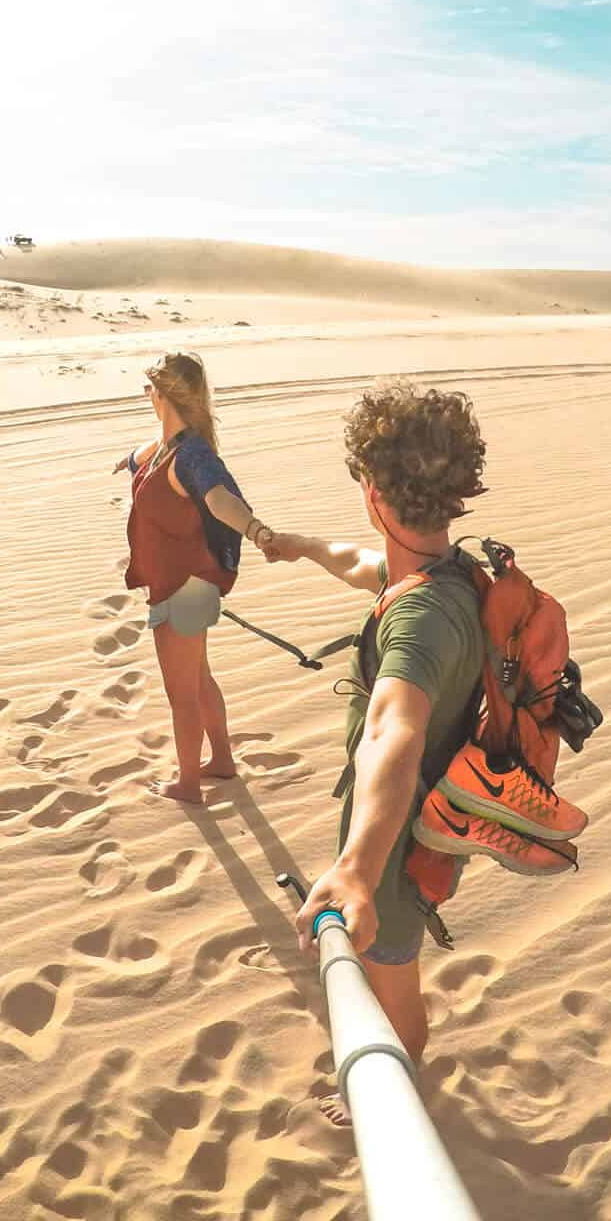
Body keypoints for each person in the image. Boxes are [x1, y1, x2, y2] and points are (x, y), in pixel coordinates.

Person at [262, 380, 493, 1072]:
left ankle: (406, 1075)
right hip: (405, 817)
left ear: (372, 492)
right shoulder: (446, 572)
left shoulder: (419, 622)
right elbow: (364, 565)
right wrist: (302, 546)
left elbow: (395, 728)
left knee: (390, 974)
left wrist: (358, 871)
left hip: (395, 843)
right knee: (381, 959)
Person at [115, 353, 275, 804]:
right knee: (199, 678)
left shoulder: (192, 456)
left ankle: (188, 784)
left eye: (149, 390)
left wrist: (256, 531)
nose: (146, 396)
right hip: (182, 582)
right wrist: (126, 460)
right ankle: (221, 760)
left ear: (162, 395)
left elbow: (219, 498)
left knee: (181, 692)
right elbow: (147, 452)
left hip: (184, 587)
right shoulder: (170, 447)